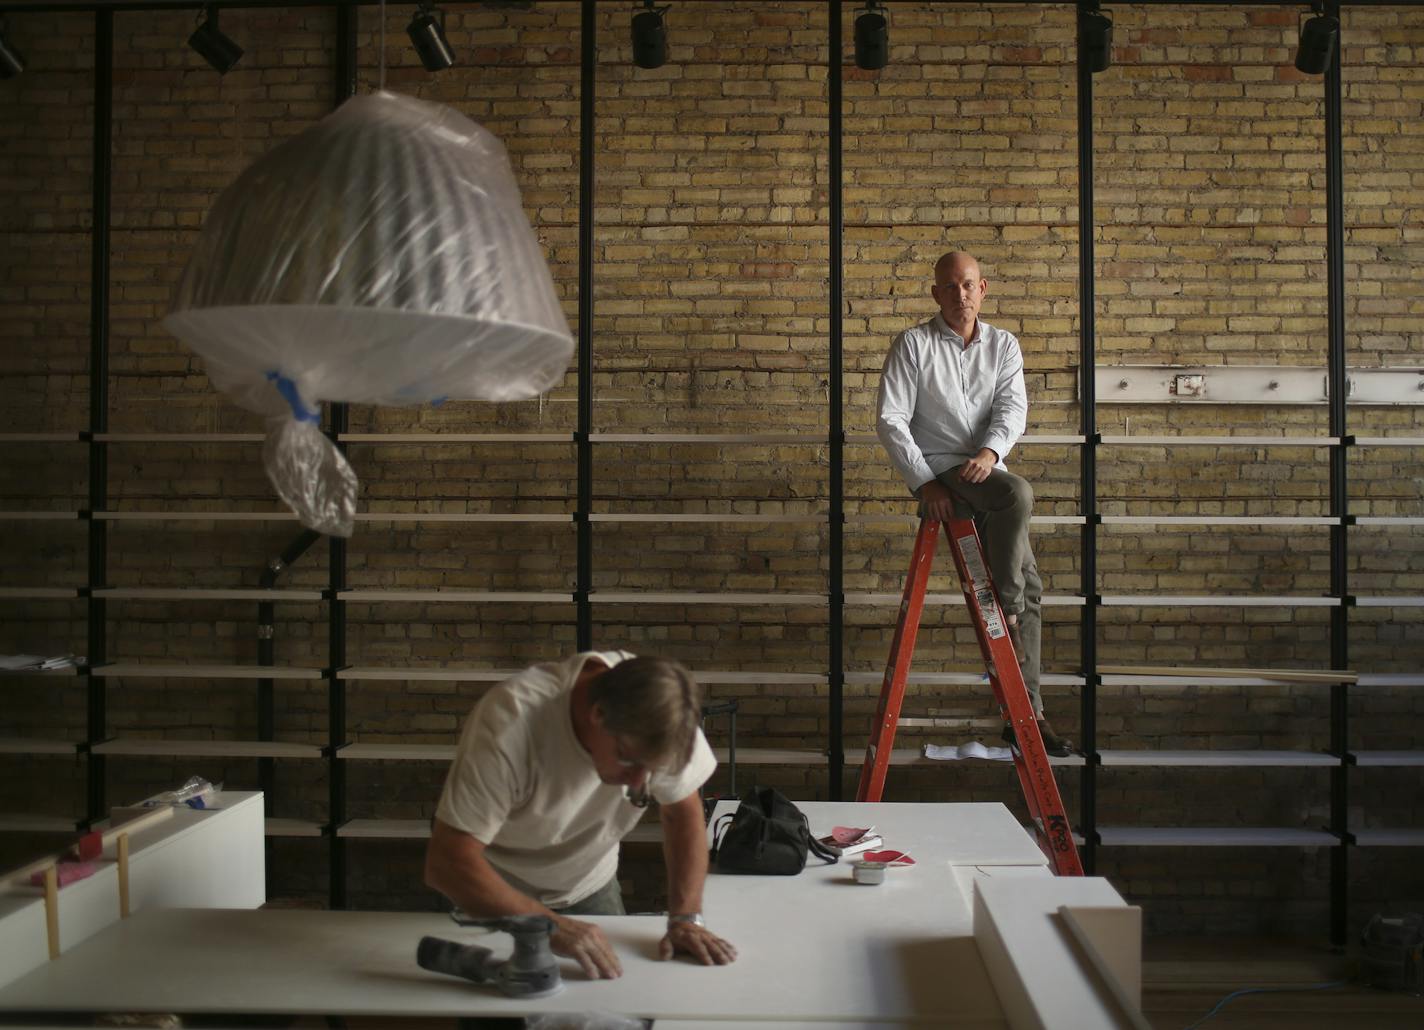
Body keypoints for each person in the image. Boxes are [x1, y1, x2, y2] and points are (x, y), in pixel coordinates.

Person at [424, 650, 738, 979]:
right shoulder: (511, 720)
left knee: (609, 1004)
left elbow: (681, 811)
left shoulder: (665, 713)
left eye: (651, 770)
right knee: (495, 1007)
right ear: (598, 714)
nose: (638, 782)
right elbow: (447, 862)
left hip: (589, 884)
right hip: (495, 888)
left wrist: (686, 918)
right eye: (627, 759)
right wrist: (546, 925)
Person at [875, 250, 1071, 757]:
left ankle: (1028, 714)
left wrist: (990, 452)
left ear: (983, 288)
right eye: (948, 287)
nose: (959, 295)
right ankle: (1000, 608)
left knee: (1032, 586)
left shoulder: (1004, 345)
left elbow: (1012, 407)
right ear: (935, 292)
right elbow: (891, 419)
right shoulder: (913, 345)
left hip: (985, 468)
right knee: (1018, 498)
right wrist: (924, 484)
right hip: (942, 465)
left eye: (967, 285)